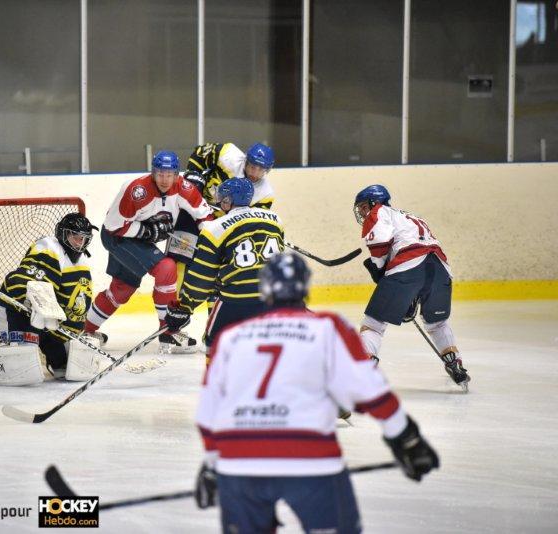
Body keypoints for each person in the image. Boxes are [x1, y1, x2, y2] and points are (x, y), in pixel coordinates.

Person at [194, 252, 440, 534]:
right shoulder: (328, 328)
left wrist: (212, 464)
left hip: (240, 464)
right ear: (305, 287)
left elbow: (209, 411)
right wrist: (406, 438)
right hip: (310, 461)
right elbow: (370, 392)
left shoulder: (231, 337)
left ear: (264, 289)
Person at [83, 151, 213, 354]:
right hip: (118, 237)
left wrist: (212, 242)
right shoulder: (137, 191)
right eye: (160, 174)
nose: (164, 180)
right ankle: (168, 332)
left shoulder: (184, 188)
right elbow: (113, 226)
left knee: (123, 288)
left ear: (177, 174)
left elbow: (205, 216)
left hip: (136, 240)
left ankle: (86, 331)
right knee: (166, 268)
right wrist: (148, 231)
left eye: (169, 175)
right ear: (153, 172)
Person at [353, 184, 469, 389]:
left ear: (374, 202)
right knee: (437, 323)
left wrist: (379, 269)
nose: (362, 212)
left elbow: (380, 242)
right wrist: (409, 294)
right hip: (440, 269)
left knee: (373, 324)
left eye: (363, 207)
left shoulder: (379, 212)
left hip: (407, 265)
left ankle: (364, 367)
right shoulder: (410, 216)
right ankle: (454, 361)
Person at [165, 177, 284, 363]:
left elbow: (202, 277)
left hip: (237, 300)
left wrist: (185, 307)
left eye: (222, 199)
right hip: (275, 299)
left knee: (213, 343)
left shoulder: (214, 228)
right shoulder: (276, 220)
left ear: (228, 200)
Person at [0, 213, 97, 378]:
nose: (79, 243)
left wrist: (70, 334)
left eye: (83, 239)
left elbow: (78, 303)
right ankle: (4, 350)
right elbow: (19, 284)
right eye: (75, 237)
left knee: (70, 365)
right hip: (17, 312)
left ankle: (52, 351)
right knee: (21, 366)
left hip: (49, 322)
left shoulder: (82, 262)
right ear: (63, 234)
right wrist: (35, 305)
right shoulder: (48, 248)